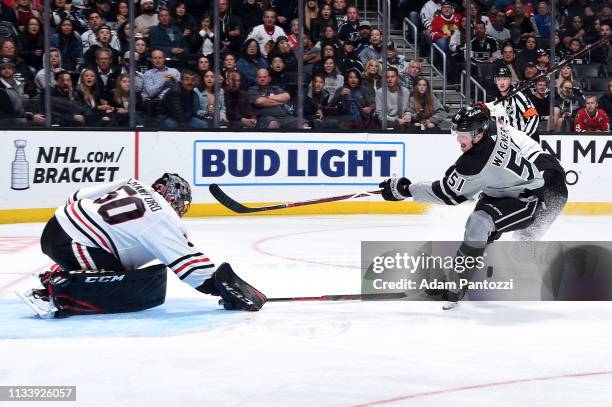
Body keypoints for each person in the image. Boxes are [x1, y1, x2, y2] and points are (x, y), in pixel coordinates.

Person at [379, 104, 567, 308]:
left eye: (464, 135)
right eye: (457, 134)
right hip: (502, 189)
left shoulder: (475, 162)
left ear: (478, 134)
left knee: (479, 223)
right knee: (477, 229)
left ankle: (457, 285)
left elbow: (448, 194)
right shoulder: (496, 129)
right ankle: (460, 276)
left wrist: (405, 189)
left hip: (527, 201)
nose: (459, 140)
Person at [18, 174, 266, 318]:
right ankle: (59, 295)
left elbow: (76, 196)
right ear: (173, 197)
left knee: (121, 266)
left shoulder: (131, 182)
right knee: (127, 289)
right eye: (182, 203)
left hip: (57, 227)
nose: (181, 209)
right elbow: (189, 266)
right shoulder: (163, 217)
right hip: (75, 243)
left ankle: (61, 273)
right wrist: (220, 287)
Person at [489, 66, 539, 140]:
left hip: (525, 141)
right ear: (495, 81)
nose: (501, 82)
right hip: (510, 141)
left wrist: (525, 136)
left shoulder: (517, 96)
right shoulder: (497, 99)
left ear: (509, 80)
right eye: (498, 79)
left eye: (505, 79)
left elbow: (533, 116)